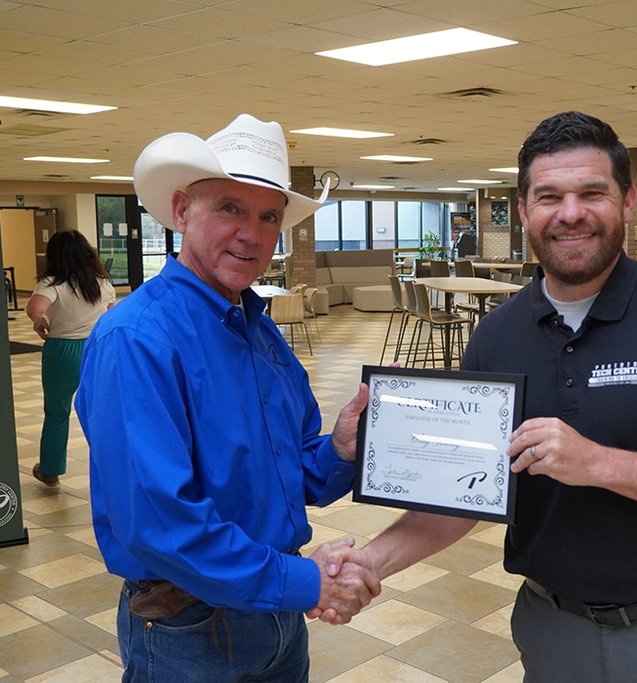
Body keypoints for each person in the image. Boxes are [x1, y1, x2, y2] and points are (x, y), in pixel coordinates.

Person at [321, 111, 637, 682]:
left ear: (626, 201)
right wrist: (366, 565)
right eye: (549, 196)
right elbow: (462, 496)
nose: (570, 213)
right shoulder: (497, 337)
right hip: (552, 633)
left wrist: (597, 463)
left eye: (591, 192)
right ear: (524, 211)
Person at [74, 114, 380, 682]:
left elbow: (287, 475)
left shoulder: (258, 329)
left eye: (269, 216)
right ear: (183, 210)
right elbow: (160, 522)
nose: (253, 233)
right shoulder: (138, 339)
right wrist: (308, 583)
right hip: (187, 626)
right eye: (230, 209)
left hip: (276, 614)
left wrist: (338, 451)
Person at [26, 230, 115, 487]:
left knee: (57, 411)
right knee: (101, 411)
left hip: (62, 351)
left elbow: (35, 308)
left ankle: (51, 470)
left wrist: (38, 322)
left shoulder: (53, 282)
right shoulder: (101, 281)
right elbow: (110, 315)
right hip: (96, 349)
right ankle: (112, 467)